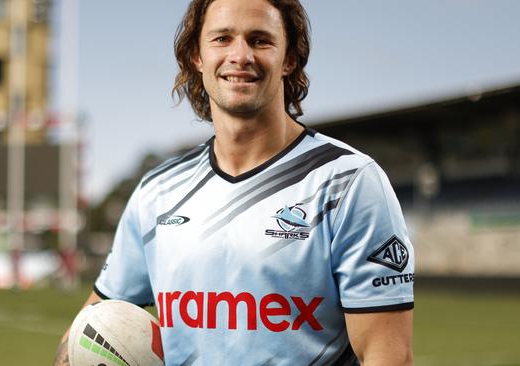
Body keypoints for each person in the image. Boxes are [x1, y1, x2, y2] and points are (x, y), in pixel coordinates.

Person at [55, 0, 414, 364]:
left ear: (289, 58)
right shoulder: (157, 192)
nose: (240, 55)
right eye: (222, 38)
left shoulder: (348, 183)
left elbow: (387, 357)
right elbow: (87, 331)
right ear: (196, 55)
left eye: (260, 40)